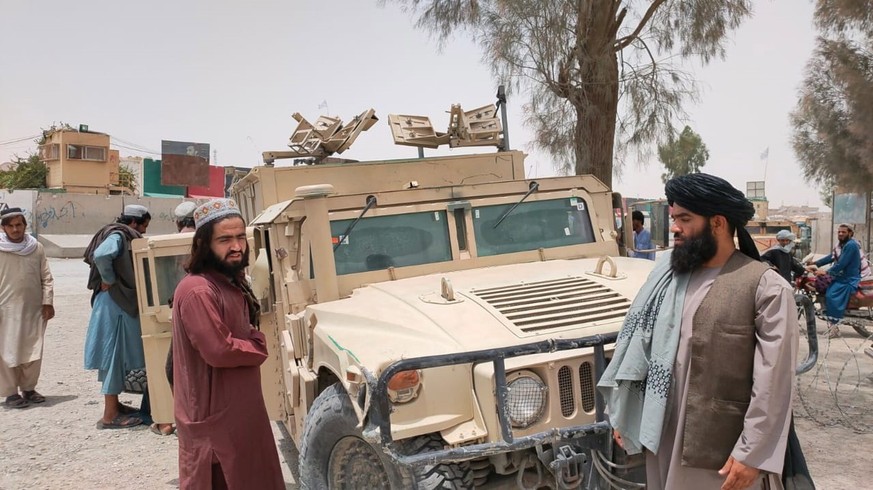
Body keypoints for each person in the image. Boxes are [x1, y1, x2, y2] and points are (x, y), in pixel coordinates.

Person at [598, 173, 800, 490]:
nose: (674, 227)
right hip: (663, 437)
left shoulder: (766, 288)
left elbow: (774, 381)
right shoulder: (668, 278)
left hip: (722, 453)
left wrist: (752, 454)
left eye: (684, 219)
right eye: (674, 217)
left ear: (717, 223)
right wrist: (626, 411)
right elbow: (640, 349)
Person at [171, 198, 283, 489]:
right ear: (204, 244)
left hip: (241, 417)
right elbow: (219, 350)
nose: (236, 246)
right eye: (224, 239)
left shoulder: (228, 281)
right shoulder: (198, 290)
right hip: (216, 423)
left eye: (239, 238)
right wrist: (258, 344)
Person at [83, 204, 151, 429]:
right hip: (115, 304)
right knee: (114, 356)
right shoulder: (120, 234)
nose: (142, 232)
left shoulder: (115, 232)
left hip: (112, 304)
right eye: (143, 226)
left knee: (114, 355)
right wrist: (109, 279)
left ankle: (115, 406)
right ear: (134, 222)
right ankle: (110, 415)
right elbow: (102, 254)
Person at [0, 207, 55, 409]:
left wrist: (47, 301)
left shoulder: (36, 247)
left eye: (19, 225)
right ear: (3, 228)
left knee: (33, 348)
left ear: (25, 226)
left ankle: (29, 388)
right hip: (5, 310)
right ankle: (11, 393)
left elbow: (46, 276)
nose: (16, 229)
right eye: (11, 226)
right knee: (6, 350)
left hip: (34, 309)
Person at [807, 223, 869, 325]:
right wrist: (815, 263)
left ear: (850, 233)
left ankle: (834, 323)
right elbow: (831, 257)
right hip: (840, 276)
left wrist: (826, 271)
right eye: (839, 232)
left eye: (843, 232)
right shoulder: (841, 245)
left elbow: (842, 263)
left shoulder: (851, 245)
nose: (840, 234)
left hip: (848, 278)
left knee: (831, 295)